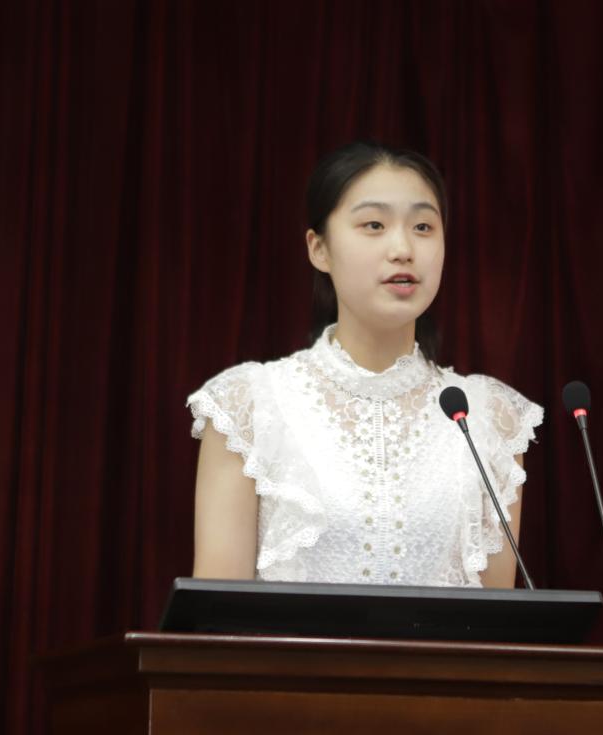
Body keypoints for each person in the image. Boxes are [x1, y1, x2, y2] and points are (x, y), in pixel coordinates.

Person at [187, 140, 542, 588]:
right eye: (374, 225)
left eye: (423, 227)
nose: (403, 248)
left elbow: (496, 620)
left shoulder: (490, 418)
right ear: (319, 249)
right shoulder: (248, 407)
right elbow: (218, 615)